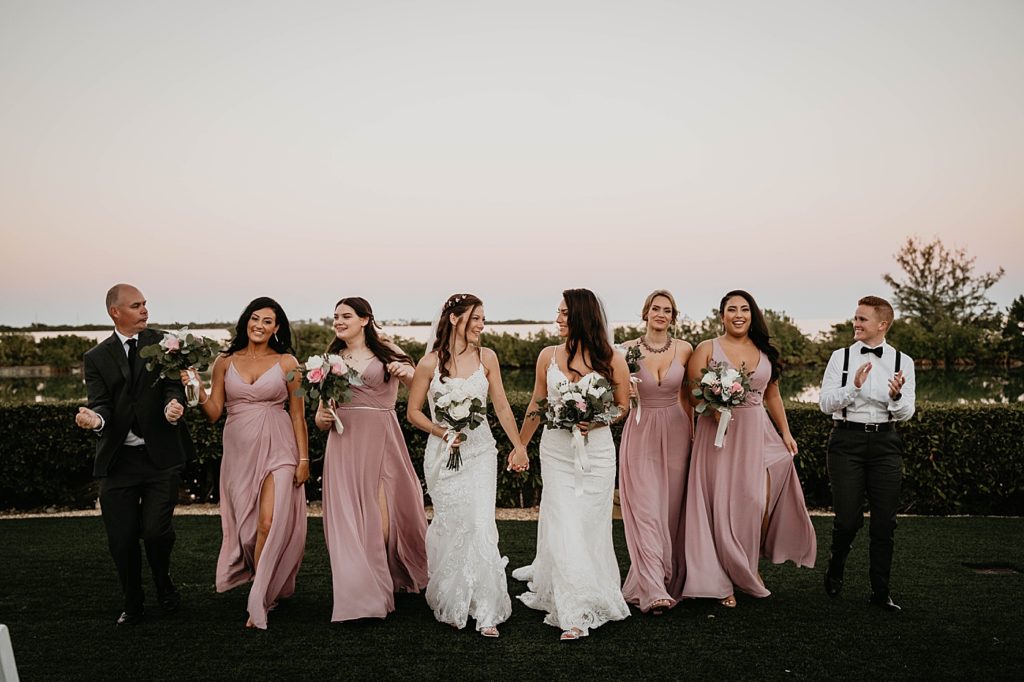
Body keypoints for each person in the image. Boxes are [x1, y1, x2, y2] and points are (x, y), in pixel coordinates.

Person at [682, 290, 816, 607]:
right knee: (719, 503)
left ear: (752, 315)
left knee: (755, 502)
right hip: (718, 435)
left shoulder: (764, 352)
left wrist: (785, 432)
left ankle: (746, 565)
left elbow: (772, 396)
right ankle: (721, 580)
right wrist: (711, 405)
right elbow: (691, 392)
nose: (738, 314)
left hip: (757, 432)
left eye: (744, 309)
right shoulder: (706, 348)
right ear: (722, 315)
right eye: (732, 309)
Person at [512, 288, 631, 641]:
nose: (558, 318)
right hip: (557, 452)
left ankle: (589, 589)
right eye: (558, 312)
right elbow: (537, 402)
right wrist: (520, 445)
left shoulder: (613, 358)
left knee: (589, 525)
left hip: (596, 454)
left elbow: (623, 406)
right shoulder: (546, 356)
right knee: (563, 521)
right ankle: (573, 612)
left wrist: (597, 420)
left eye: (564, 313)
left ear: (581, 316)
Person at [407, 294, 529, 637]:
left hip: (480, 452)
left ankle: (487, 608)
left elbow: (502, 407)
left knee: (479, 522)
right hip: (443, 456)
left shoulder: (487, 357)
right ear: (455, 319)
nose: (481, 325)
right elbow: (413, 412)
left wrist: (518, 446)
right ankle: (454, 596)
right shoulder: (429, 363)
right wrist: (442, 431)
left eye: (483, 319)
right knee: (453, 524)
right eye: (476, 318)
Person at [183, 297, 308, 629]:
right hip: (239, 450)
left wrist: (304, 459)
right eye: (255, 318)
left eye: (268, 321)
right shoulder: (224, 362)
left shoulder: (288, 363)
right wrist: (194, 390)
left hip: (280, 448)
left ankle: (259, 600)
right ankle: (264, 583)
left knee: (268, 523)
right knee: (249, 528)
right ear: (245, 322)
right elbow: (213, 413)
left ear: (277, 328)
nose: (260, 325)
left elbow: (298, 415)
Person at [74, 284, 194, 626]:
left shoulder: (165, 342)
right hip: (118, 462)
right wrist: (95, 420)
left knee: (156, 532)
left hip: (160, 458)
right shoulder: (96, 358)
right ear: (116, 312)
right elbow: (100, 404)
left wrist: (175, 403)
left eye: (145, 304)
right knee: (122, 538)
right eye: (136, 305)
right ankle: (132, 600)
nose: (145, 310)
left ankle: (163, 582)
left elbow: (175, 384)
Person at [316, 297, 428, 622]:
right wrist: (322, 417)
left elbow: (419, 386)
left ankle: (387, 578)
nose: (338, 321)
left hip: (381, 439)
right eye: (335, 316)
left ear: (365, 319)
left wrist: (407, 370)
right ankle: (365, 595)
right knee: (348, 519)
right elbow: (322, 414)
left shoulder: (387, 351)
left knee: (382, 522)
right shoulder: (330, 359)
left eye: (346, 315)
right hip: (343, 443)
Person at [819, 295, 915, 612]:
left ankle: (880, 591)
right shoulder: (840, 358)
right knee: (847, 521)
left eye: (862, 319)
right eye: (856, 318)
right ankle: (836, 563)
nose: (855, 323)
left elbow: (906, 413)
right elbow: (826, 404)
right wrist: (854, 387)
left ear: (882, 324)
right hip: (846, 442)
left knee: (885, 523)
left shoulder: (904, 362)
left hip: (886, 444)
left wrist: (896, 396)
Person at [618, 289, 693, 614]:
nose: (661, 314)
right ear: (646, 312)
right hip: (641, 431)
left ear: (673, 317)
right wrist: (625, 391)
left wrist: (696, 436)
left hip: (677, 434)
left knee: (669, 512)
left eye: (667, 310)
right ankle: (653, 590)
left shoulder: (686, 349)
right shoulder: (626, 350)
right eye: (656, 308)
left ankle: (658, 580)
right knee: (646, 511)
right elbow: (615, 398)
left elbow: (690, 397)